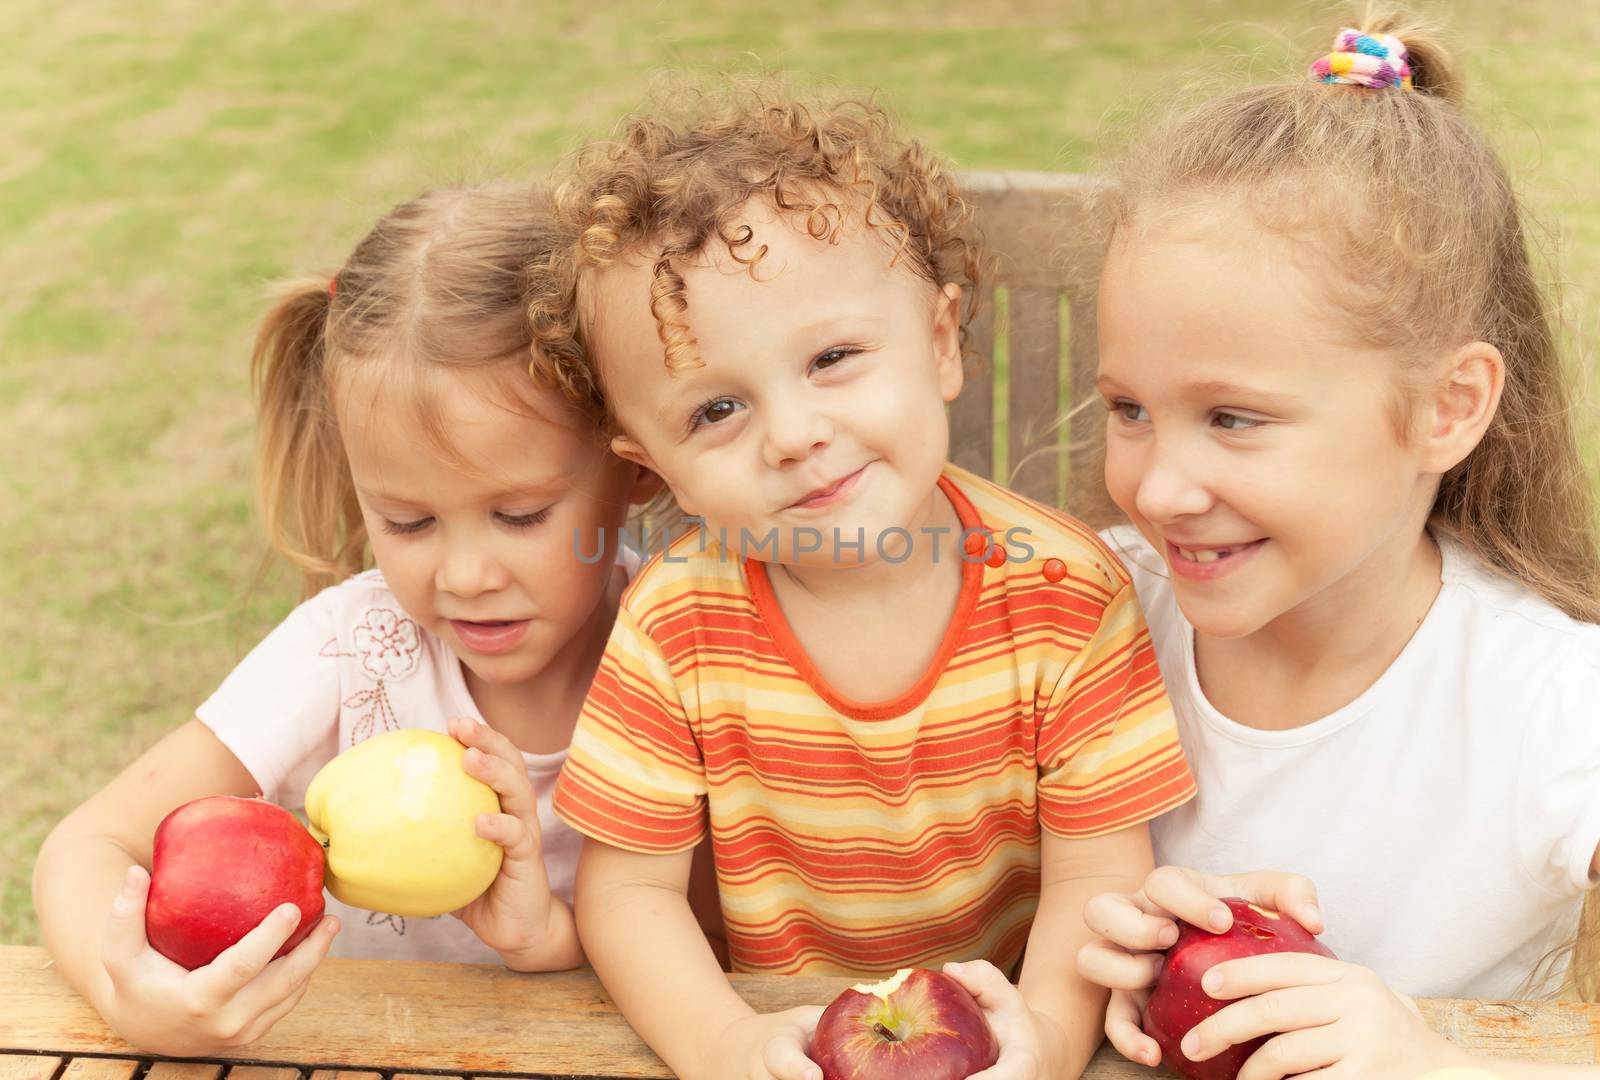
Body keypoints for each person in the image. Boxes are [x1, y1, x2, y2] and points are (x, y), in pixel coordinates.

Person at [524, 87, 1198, 1080]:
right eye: (716, 409)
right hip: (781, 1042)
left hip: (1000, 1036)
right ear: (653, 465)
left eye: (832, 358)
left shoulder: (1064, 594)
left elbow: (1097, 870)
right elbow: (629, 895)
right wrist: (720, 1043)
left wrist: (1049, 1038)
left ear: (937, 341)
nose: (794, 434)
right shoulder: (675, 626)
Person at [1073, 12, 1600, 1078]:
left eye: (1232, 419)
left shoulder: (1548, 705)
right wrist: (1103, 949)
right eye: (1129, 408)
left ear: (1447, 408)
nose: (1158, 487)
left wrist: (1435, 1062)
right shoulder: (1082, 614)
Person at [32, 184, 667, 1055]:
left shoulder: (682, 652)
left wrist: (544, 936)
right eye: (407, 522)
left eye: (519, 516)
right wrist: (128, 995)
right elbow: (88, 844)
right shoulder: (350, 646)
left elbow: (715, 939)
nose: (467, 576)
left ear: (635, 463)